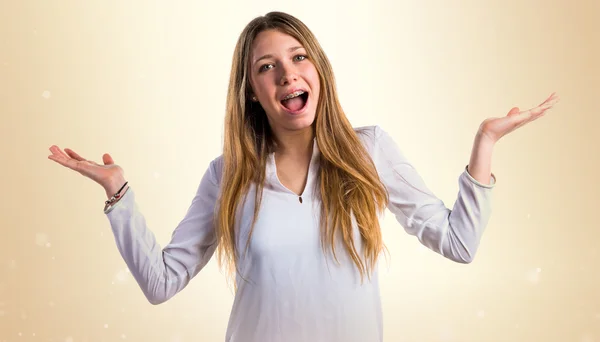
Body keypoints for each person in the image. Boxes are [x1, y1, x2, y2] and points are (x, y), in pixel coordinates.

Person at [47, 11, 559, 342]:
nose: (287, 74)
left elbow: (458, 243)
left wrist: (485, 143)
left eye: (298, 57)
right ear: (251, 90)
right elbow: (161, 283)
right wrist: (118, 192)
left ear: (317, 69)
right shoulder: (227, 176)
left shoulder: (369, 150)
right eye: (267, 66)